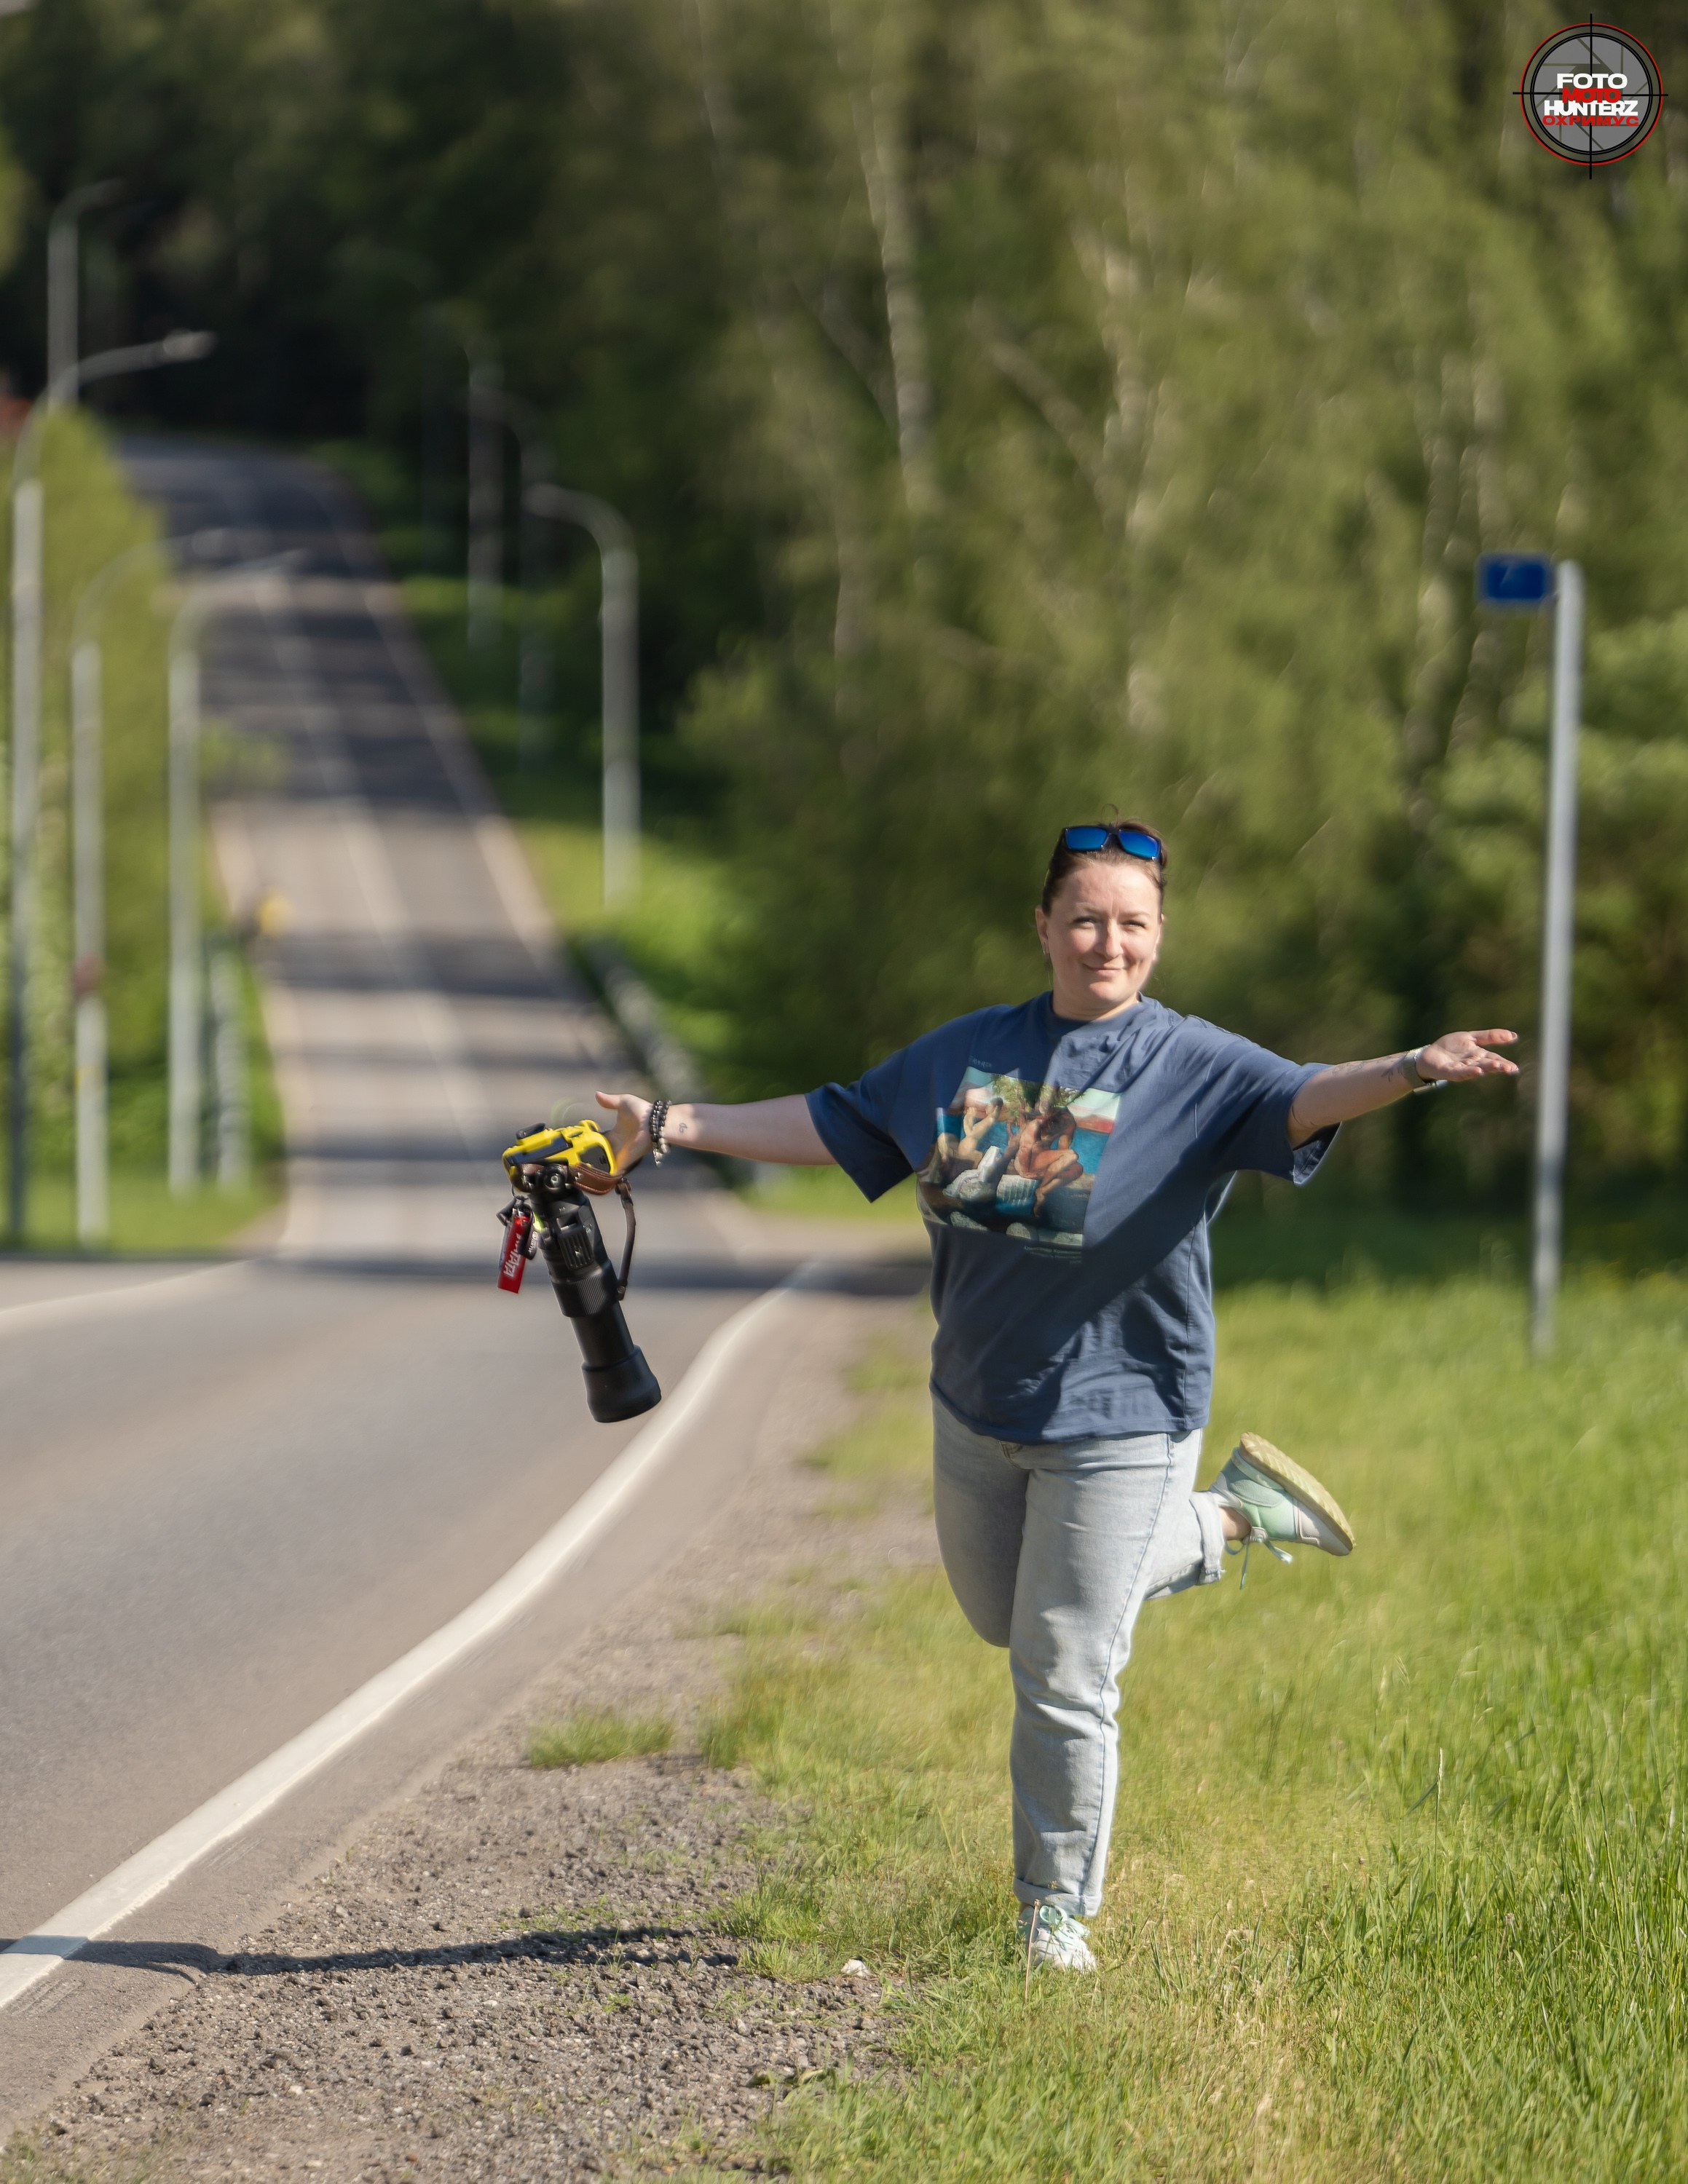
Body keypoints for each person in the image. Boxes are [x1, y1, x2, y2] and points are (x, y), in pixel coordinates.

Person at [591, 820, 1518, 1973]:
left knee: (1065, 1668)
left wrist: (1412, 1068)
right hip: (978, 1400)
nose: (1106, 942)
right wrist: (667, 1128)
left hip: (1125, 1411)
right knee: (1003, 1621)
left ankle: (1053, 1914)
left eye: (1132, 923)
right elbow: (837, 1123)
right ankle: (1232, 1516)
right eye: (1084, 917)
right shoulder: (967, 1053)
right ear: (1042, 927)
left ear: (1160, 936)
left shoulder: (1193, 1064)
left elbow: (1309, 1095)